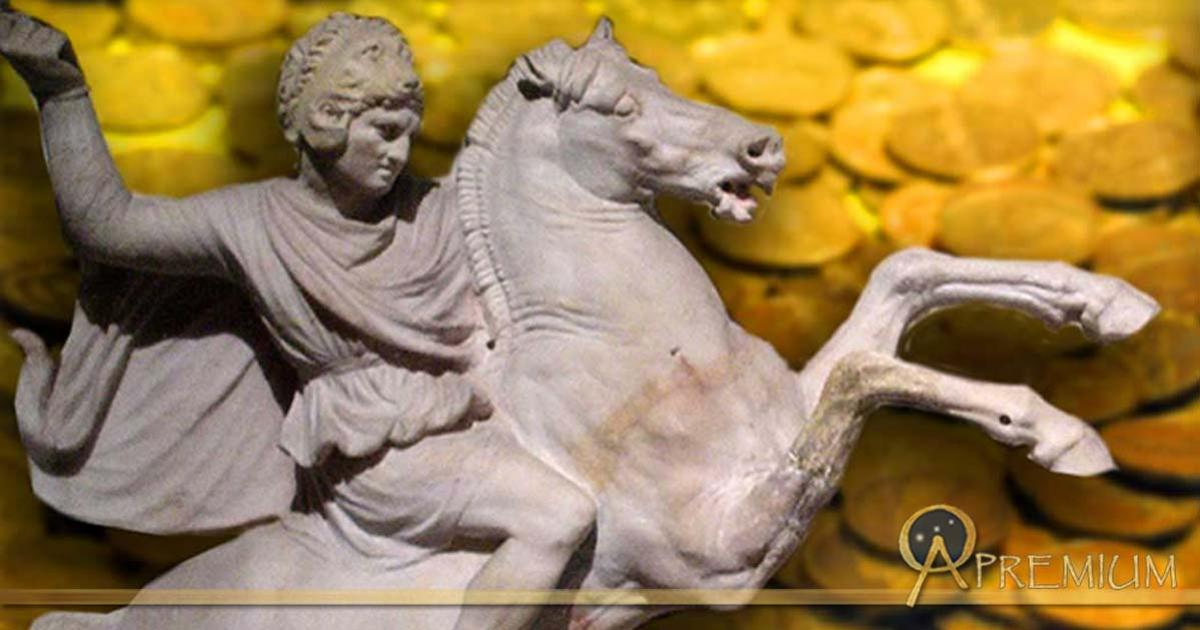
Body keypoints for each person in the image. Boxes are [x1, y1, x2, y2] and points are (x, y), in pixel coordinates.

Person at [0, 10, 596, 630]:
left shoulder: (435, 211)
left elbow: (537, 217)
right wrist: (61, 91)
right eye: (384, 132)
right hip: (375, 450)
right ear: (324, 122)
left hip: (461, 420)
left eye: (407, 132)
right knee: (558, 515)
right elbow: (105, 225)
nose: (399, 153)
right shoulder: (252, 223)